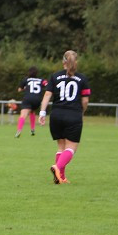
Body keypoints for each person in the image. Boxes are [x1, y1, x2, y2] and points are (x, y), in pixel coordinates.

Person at [39, 50, 91, 184]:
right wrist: (82, 112)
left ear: (63, 62)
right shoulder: (82, 79)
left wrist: (42, 112)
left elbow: (47, 95)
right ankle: (57, 167)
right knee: (71, 148)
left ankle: (61, 177)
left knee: (61, 147)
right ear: (76, 63)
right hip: (73, 115)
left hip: (56, 115)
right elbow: (85, 101)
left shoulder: (55, 76)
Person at [16, 66, 45, 138]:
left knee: (23, 115)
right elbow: (46, 84)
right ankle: (32, 129)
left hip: (28, 98)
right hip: (37, 100)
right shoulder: (41, 80)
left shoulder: (26, 79)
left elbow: (19, 89)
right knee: (32, 112)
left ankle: (19, 130)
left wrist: (25, 88)